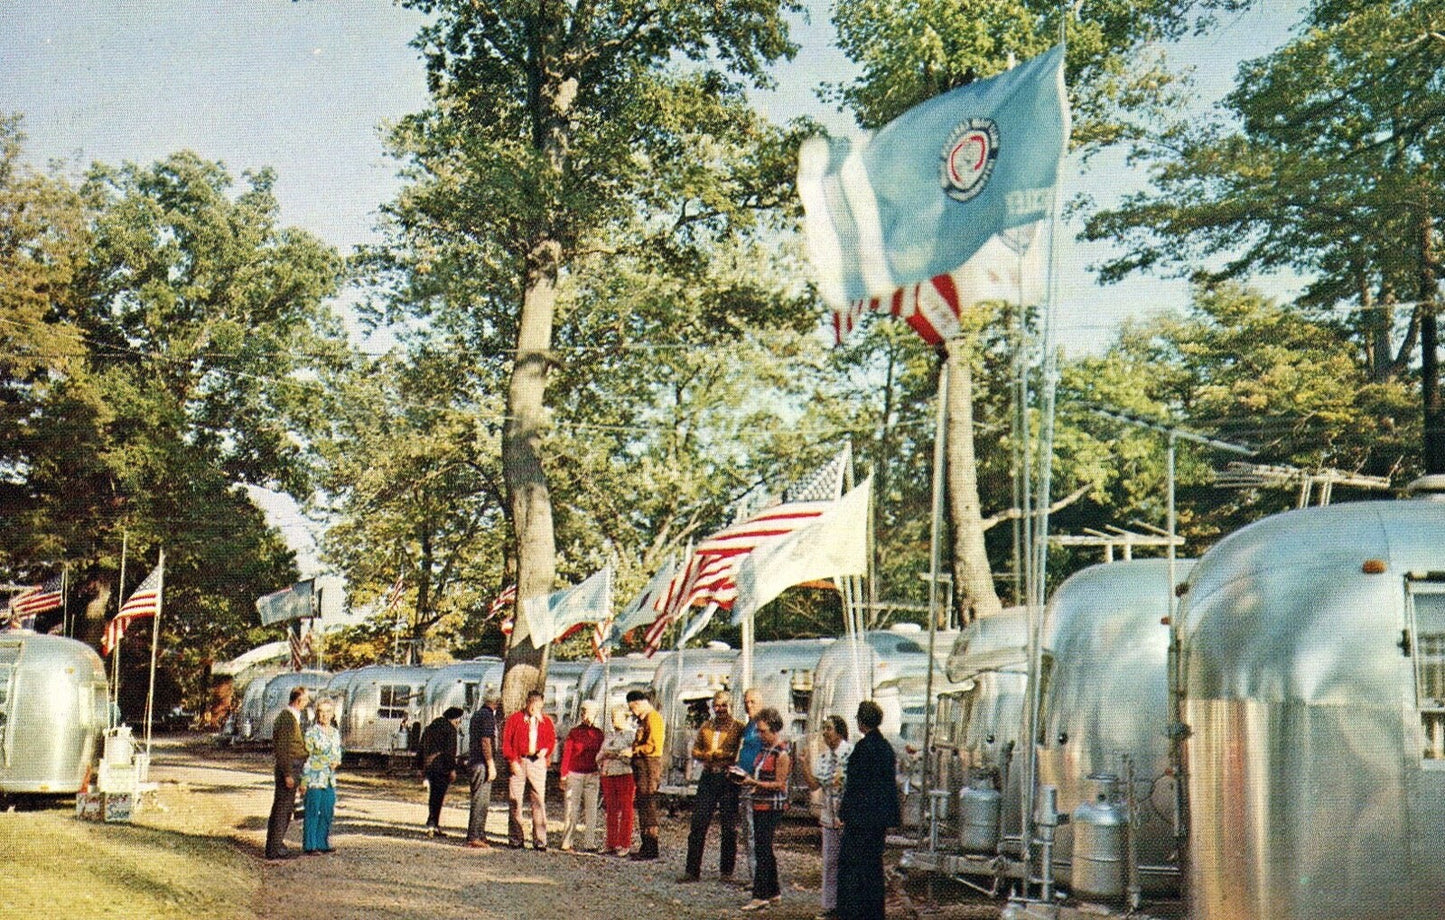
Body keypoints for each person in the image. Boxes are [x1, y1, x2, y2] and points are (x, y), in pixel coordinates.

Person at [836, 700, 900, 920]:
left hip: (861, 818)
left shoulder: (863, 749)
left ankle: (853, 912)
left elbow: (855, 785)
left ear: (861, 722)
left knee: (853, 867)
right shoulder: (886, 748)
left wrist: (844, 813)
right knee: (873, 866)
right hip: (879, 818)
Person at [681, 689, 744, 882]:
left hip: (728, 779)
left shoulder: (739, 727)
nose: (720, 709)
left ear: (731, 706)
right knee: (698, 824)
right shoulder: (706, 727)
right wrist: (708, 755)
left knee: (729, 826)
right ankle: (692, 870)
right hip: (708, 777)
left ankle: (726, 871)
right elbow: (696, 750)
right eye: (717, 705)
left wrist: (723, 756)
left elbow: (739, 753)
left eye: (724, 705)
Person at [738, 707, 790, 911]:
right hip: (759, 802)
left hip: (772, 805)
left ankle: (760, 895)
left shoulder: (781, 753)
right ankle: (774, 891)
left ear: (774, 729)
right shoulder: (763, 750)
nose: (760, 735)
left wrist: (755, 783)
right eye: (758, 731)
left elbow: (780, 784)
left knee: (763, 848)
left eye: (763, 731)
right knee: (764, 848)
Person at [804, 715, 852, 920]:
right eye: (824, 728)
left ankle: (849, 905)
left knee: (849, 861)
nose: (825, 732)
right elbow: (815, 785)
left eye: (829, 728)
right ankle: (830, 904)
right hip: (829, 815)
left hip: (848, 816)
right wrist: (805, 764)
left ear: (840, 731)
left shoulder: (851, 753)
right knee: (830, 861)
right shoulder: (823, 758)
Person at [502, 688, 555, 850]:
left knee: (538, 800)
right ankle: (516, 838)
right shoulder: (515, 719)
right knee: (515, 801)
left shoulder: (545, 721)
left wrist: (545, 751)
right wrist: (512, 760)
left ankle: (540, 840)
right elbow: (506, 742)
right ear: (527, 703)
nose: (535, 710)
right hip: (519, 760)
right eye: (533, 705)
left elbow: (551, 740)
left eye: (539, 706)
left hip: (537, 762)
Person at [265, 685, 310, 860]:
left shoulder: (292, 717)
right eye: (306, 700)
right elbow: (282, 749)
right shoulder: (287, 719)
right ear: (298, 700)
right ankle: (274, 849)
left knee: (285, 807)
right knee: (282, 809)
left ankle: (276, 845)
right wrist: (287, 774)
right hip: (290, 766)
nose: (307, 704)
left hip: (294, 766)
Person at [559, 699, 604, 851]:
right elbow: (567, 754)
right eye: (583, 712)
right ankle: (567, 841)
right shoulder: (574, 733)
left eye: (589, 713)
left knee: (592, 810)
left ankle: (589, 842)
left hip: (593, 774)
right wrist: (563, 775)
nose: (586, 716)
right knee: (571, 808)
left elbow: (602, 754)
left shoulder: (598, 734)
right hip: (575, 774)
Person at [626, 688, 664, 860]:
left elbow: (653, 746)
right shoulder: (645, 719)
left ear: (639, 703)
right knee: (643, 805)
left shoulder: (653, 718)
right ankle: (646, 846)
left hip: (649, 767)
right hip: (643, 767)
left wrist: (633, 750)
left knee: (648, 806)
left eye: (632, 708)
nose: (632, 713)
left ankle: (651, 848)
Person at [301, 696, 343, 854]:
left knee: (327, 810)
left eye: (328, 712)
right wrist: (303, 781)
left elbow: (337, 752)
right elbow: (306, 757)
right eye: (321, 712)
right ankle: (310, 845)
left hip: (329, 778)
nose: (324, 715)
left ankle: (322, 843)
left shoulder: (335, 733)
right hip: (314, 777)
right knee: (312, 810)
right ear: (317, 714)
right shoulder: (311, 733)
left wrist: (337, 761)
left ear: (332, 714)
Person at [597, 704, 636, 856]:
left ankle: (624, 843)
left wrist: (618, 755)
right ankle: (611, 842)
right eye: (612, 718)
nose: (613, 721)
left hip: (625, 774)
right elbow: (600, 753)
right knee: (611, 809)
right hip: (608, 774)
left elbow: (633, 756)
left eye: (616, 718)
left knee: (626, 809)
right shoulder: (610, 735)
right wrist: (603, 757)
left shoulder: (630, 735)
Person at [420, 706, 464, 837]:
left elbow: (421, 747)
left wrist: (419, 767)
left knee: (432, 796)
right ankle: (432, 824)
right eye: (458, 720)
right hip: (442, 767)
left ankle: (433, 824)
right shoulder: (450, 730)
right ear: (454, 719)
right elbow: (450, 752)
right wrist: (452, 769)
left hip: (429, 766)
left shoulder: (430, 728)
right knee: (438, 797)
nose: (459, 722)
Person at [465, 690, 502, 848]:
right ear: (496, 702)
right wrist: (491, 764)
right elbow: (486, 741)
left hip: (474, 760)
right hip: (481, 762)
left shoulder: (477, 714)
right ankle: (474, 835)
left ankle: (479, 832)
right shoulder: (487, 716)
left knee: (481, 799)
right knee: (481, 799)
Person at [735, 687, 763, 884]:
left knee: (755, 831)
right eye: (746, 701)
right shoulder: (748, 726)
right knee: (747, 830)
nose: (748, 705)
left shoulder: (763, 725)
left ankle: (759, 878)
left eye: (752, 701)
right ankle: (754, 875)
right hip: (743, 780)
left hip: (756, 783)